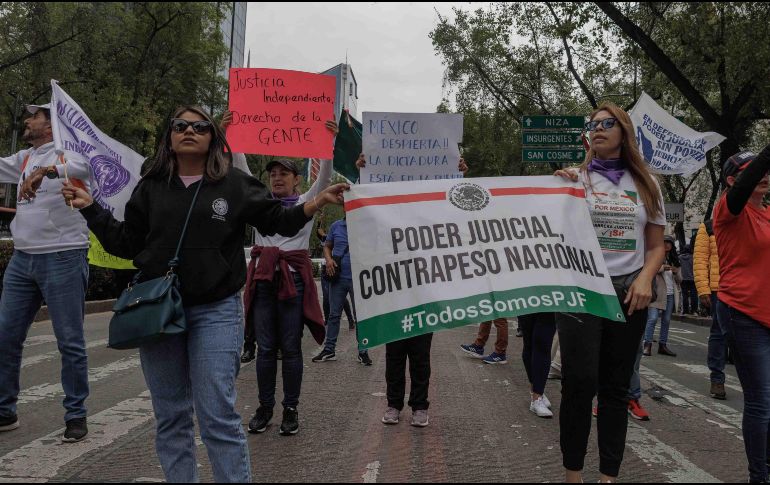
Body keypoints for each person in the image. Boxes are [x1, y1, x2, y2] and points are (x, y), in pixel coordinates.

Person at [61, 106, 347, 482]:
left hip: (216, 311)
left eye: (200, 126)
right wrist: (90, 209)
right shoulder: (150, 186)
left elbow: (278, 222)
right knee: (171, 417)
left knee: (218, 416)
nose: (190, 131)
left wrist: (316, 201)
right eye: (180, 125)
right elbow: (126, 243)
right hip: (159, 312)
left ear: (213, 138)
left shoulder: (234, 184)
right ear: (169, 137)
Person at [554, 102, 666, 483]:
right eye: (593, 124)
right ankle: (573, 475)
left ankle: (608, 477)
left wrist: (645, 278)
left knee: (616, 389)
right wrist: (555, 189)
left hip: (628, 295)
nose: (598, 128)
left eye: (607, 123)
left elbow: (656, 246)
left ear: (624, 132)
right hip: (582, 291)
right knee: (578, 384)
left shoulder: (648, 185)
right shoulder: (575, 180)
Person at [241, 119, 339, 436]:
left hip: (293, 283)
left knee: (291, 348)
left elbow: (325, 178)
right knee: (266, 348)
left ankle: (290, 409)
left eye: (284, 173)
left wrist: (328, 143)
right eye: (273, 173)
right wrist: (233, 136)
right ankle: (265, 407)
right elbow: (242, 171)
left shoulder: (305, 202)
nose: (277, 177)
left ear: (297, 180)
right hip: (264, 281)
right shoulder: (259, 204)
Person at [0, 103, 92, 442]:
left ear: (51, 125)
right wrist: (35, 168)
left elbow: (85, 167)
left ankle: (76, 414)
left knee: (69, 341)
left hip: (63, 256)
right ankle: (5, 410)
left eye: (34, 116)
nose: (27, 120)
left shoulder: (72, 151)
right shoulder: (25, 157)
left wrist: (46, 171)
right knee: (5, 337)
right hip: (22, 259)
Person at [355, 154, 468, 428]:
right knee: (394, 357)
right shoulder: (385, 222)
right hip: (393, 298)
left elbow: (453, 210)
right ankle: (393, 404)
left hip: (423, 298)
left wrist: (459, 176)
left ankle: (419, 406)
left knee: (420, 357)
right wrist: (362, 176)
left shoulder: (431, 222)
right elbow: (364, 211)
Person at [713, 146, 770, 483]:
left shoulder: (768, 213)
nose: (764, 176)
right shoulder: (728, 209)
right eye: (754, 172)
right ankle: (759, 477)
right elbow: (745, 185)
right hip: (743, 314)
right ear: (733, 181)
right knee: (761, 401)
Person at [312, 215, 371, 365]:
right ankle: (329, 350)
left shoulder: (365, 226)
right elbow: (327, 246)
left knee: (360, 317)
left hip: (359, 279)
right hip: (338, 277)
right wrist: (328, 259)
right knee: (333, 315)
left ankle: (363, 351)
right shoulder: (336, 226)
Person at [694, 219, 727, 400]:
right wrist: (703, 288)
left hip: (747, 287)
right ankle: (717, 379)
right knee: (719, 332)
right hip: (718, 289)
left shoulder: (754, 219)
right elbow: (700, 259)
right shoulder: (709, 226)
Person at [643, 235, 680, 357]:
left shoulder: (674, 259)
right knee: (653, 318)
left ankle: (662, 345)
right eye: (665, 242)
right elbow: (648, 269)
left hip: (670, 294)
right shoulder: (655, 255)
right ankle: (647, 344)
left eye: (669, 243)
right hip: (656, 293)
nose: (667, 245)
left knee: (667, 320)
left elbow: (680, 279)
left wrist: (676, 273)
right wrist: (662, 267)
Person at [518, 313, 557, 418]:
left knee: (543, 343)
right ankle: (535, 390)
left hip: (548, 306)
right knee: (529, 343)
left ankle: (537, 395)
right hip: (527, 305)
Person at [317, 225, 356, 328]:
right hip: (331, 271)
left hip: (345, 273)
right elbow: (327, 245)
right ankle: (328, 321)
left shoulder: (329, 235)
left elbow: (327, 240)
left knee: (344, 302)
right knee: (327, 299)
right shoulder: (333, 229)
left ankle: (350, 319)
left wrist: (323, 234)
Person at [679, 244, 698, 315]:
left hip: (683, 279)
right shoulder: (693, 257)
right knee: (694, 295)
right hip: (692, 279)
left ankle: (685, 311)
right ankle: (694, 311)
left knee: (685, 295)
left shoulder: (680, 257)